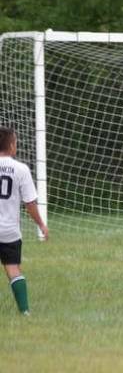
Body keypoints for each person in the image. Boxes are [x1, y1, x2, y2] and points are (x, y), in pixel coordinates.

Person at [0, 127, 49, 315]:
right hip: (10, 232)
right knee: (13, 269)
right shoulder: (21, 169)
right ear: (12, 145)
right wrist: (41, 225)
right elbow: (30, 203)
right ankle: (25, 311)